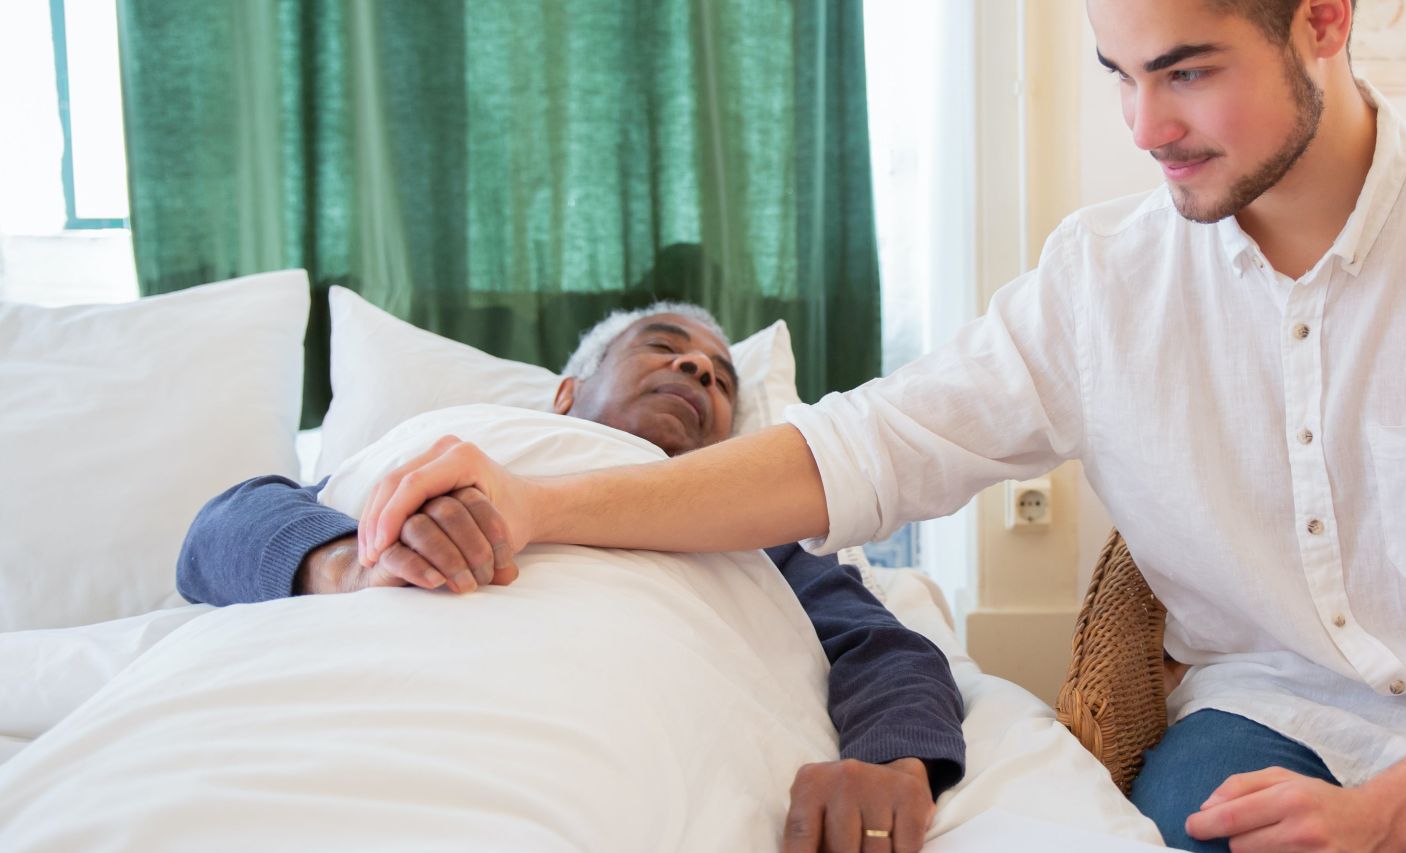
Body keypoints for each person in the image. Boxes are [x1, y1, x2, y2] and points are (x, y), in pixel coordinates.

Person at [352, 1, 1406, 850]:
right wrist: (542, 501)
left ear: (1326, 17)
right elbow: (860, 451)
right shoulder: (1104, 281)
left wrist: (1397, 815)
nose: (1144, 126)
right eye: (1116, 73)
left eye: (1186, 71)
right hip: (1271, 725)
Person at [176, 303, 965, 853]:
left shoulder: (759, 533)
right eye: (663, 346)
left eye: (723, 381)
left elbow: (881, 644)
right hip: (343, 703)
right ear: (565, 393)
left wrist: (892, 758)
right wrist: (345, 558)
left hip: (600, 741)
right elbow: (219, 529)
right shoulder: (450, 445)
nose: (698, 368)